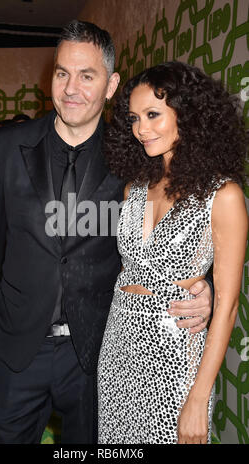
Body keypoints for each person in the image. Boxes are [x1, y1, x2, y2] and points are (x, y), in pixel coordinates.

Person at [0, 21, 213, 445]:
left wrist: (202, 287)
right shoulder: (5, 147)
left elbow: (175, 231)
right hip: (12, 351)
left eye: (87, 75)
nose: (70, 88)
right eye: (62, 72)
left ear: (111, 83)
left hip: (100, 355)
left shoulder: (139, 155)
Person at [97, 61, 248, 444]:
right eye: (134, 118)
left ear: (188, 114)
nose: (140, 129)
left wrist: (198, 397)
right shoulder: (135, 187)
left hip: (175, 357)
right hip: (117, 346)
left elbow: (228, 304)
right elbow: (131, 267)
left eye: (152, 115)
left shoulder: (223, 196)